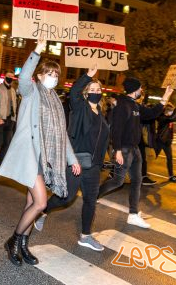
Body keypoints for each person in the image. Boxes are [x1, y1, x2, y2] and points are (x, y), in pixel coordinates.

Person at [0, 37, 80, 266]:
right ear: (40, 75)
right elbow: (23, 77)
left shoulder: (56, 100)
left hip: (48, 160)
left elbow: (61, 133)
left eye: (56, 75)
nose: (53, 78)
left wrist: (72, 159)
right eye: (50, 74)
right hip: (31, 155)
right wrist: (37, 50)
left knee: (30, 204)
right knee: (41, 203)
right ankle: (13, 241)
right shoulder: (31, 90)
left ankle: (23, 244)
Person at [34, 66, 109, 252]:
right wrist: (88, 76)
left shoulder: (101, 113)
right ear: (85, 93)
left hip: (94, 166)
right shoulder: (80, 107)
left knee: (91, 200)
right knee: (66, 198)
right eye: (92, 90)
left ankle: (85, 236)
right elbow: (74, 91)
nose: (95, 92)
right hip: (76, 162)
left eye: (98, 90)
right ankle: (43, 211)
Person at [98, 76, 173, 228]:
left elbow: (152, 113)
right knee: (118, 181)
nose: (141, 91)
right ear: (134, 90)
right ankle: (94, 195)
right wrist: (117, 150)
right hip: (124, 150)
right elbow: (116, 130)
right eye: (139, 88)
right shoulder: (122, 106)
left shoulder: (135, 105)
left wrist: (165, 97)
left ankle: (133, 214)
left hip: (135, 149)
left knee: (137, 181)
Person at [153, 102, 176, 182]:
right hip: (160, 141)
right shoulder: (162, 118)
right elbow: (172, 118)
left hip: (167, 142)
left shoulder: (169, 118)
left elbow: (175, 118)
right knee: (153, 156)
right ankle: (141, 171)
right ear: (166, 111)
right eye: (171, 111)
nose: (172, 112)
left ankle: (171, 176)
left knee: (169, 159)